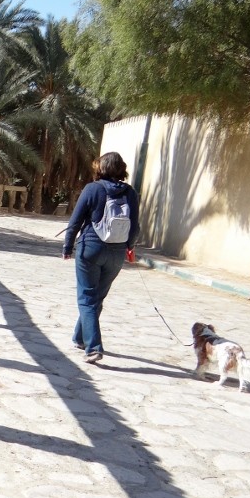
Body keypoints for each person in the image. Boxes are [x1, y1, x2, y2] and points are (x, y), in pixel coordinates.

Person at [61, 151, 140, 364]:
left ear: (100, 168)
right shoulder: (130, 193)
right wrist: (129, 247)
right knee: (96, 299)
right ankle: (80, 338)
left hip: (91, 248)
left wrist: (68, 246)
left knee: (87, 298)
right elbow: (135, 226)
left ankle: (93, 347)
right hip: (116, 253)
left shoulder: (92, 189)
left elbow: (75, 221)